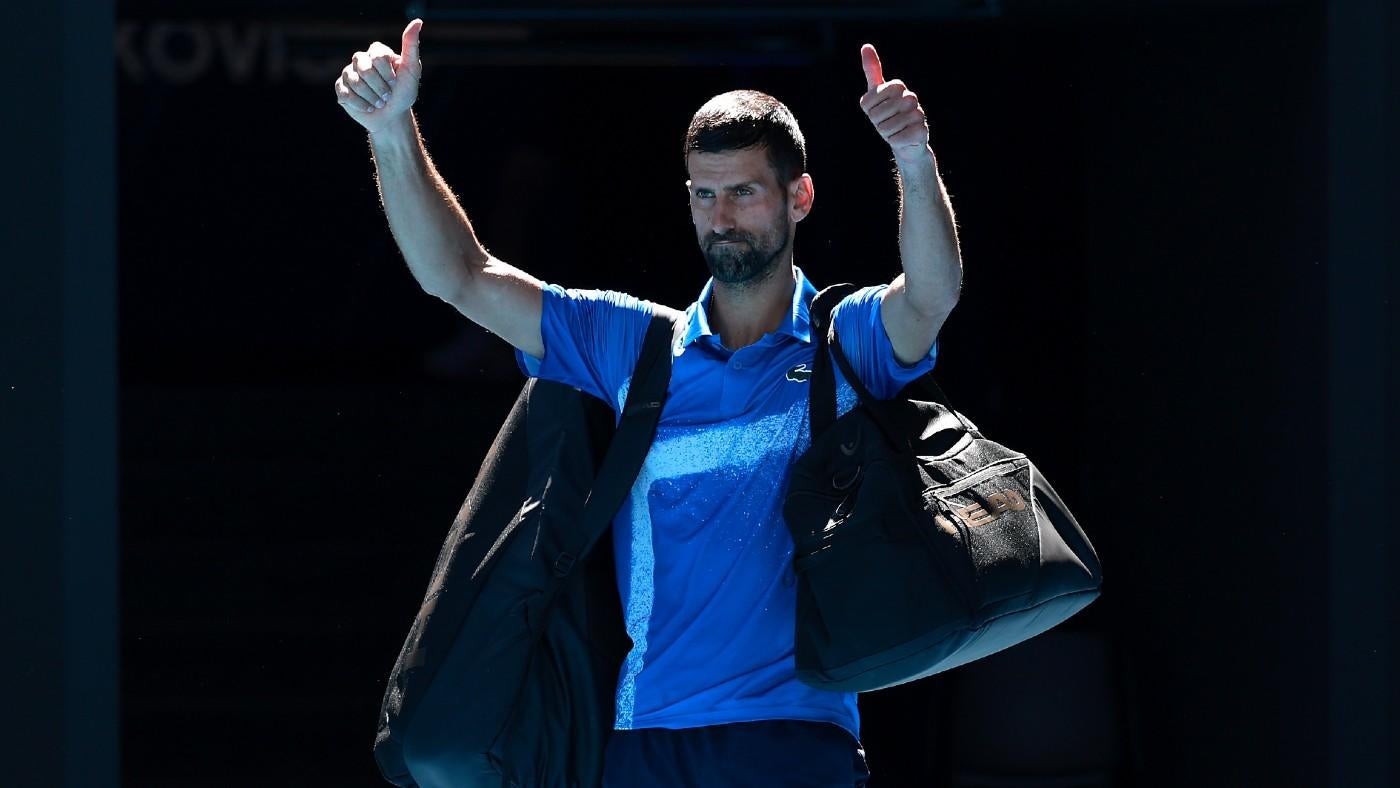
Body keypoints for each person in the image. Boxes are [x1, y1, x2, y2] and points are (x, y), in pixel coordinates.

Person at [336, 18, 963, 787]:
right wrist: (392, 131)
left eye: (744, 193)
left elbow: (931, 295)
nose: (722, 216)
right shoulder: (634, 346)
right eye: (705, 194)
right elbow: (460, 277)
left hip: (797, 739)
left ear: (799, 197)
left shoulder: (842, 344)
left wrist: (912, 155)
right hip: (646, 743)